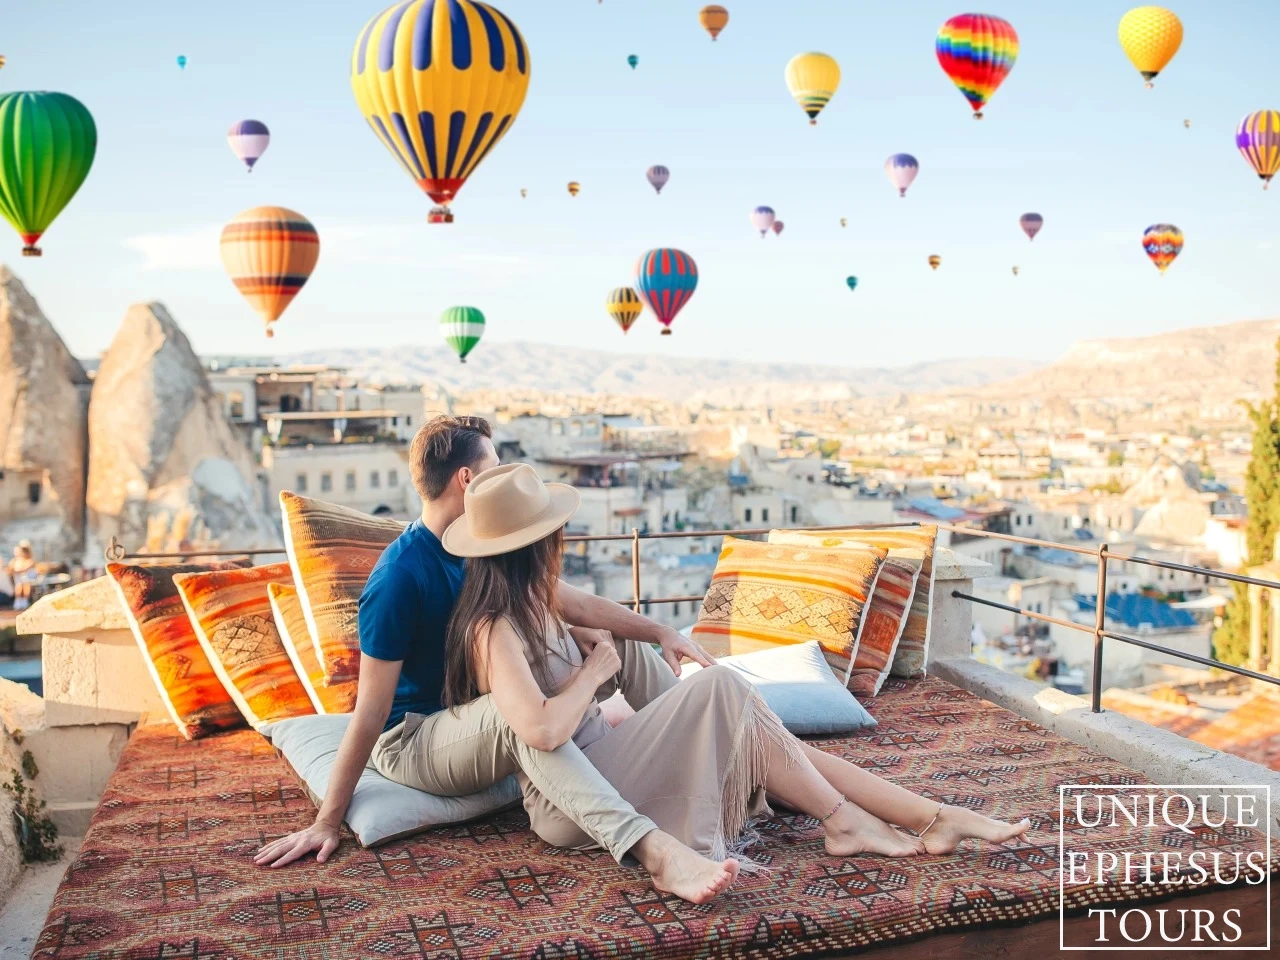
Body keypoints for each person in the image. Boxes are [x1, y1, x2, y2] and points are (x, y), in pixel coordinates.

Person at [439, 463, 1032, 892]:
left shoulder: (536, 594)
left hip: (611, 757)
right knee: (723, 689)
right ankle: (849, 819)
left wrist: (661, 634)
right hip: (574, 803)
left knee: (755, 728)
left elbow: (595, 610)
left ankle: (924, 815)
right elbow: (541, 732)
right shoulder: (494, 629)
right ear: (539, 542)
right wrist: (595, 670)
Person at [256, 416, 736, 904]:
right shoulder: (399, 577)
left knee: (609, 643)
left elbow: (577, 603)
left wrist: (661, 631)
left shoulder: (482, 545)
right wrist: (327, 820)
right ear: (468, 479)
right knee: (518, 718)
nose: (503, 472)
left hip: (480, 715)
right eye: (495, 464)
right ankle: (655, 852)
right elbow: (372, 713)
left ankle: (725, 750)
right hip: (417, 738)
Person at [6, 542, 36, 610]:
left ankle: (24, 600)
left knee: (25, 583)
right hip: (18, 580)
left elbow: (24, 569)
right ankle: (18, 600)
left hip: (28, 580)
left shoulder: (30, 561)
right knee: (19, 584)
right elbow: (10, 569)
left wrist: (16, 571)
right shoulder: (15, 561)